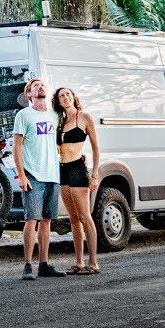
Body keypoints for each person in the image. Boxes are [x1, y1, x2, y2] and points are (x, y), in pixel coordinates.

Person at [12, 78, 65, 279]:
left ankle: (44, 264)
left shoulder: (54, 115)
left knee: (46, 221)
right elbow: (17, 146)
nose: (40, 87)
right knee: (31, 219)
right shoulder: (24, 115)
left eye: (42, 85)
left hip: (52, 173)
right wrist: (21, 175)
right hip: (33, 173)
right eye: (35, 86)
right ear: (29, 94)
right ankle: (27, 265)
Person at [54, 86, 101, 275]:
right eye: (61, 96)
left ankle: (94, 263)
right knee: (73, 218)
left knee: (85, 216)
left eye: (67, 94)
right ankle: (79, 262)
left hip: (77, 169)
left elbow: (96, 148)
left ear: (73, 97)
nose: (64, 97)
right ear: (58, 102)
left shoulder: (85, 118)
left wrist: (95, 174)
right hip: (62, 169)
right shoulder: (59, 121)